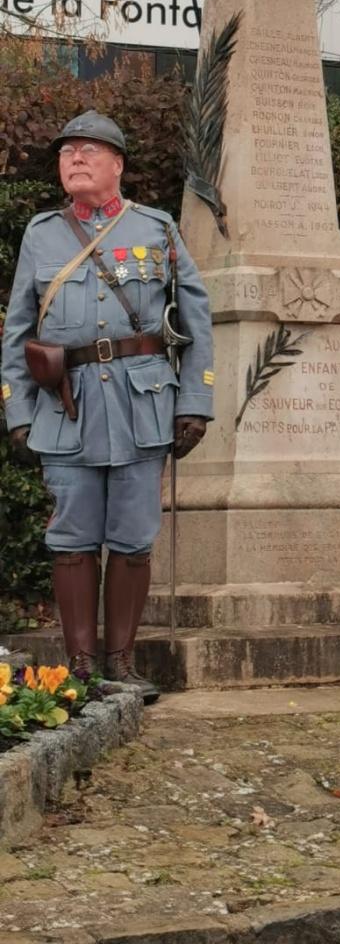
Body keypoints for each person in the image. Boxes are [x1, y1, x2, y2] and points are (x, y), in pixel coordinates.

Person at [1, 112, 213, 699]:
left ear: (117, 165)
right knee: (70, 536)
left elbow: (196, 320)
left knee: (132, 535)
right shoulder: (42, 234)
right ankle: (80, 668)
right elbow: (17, 330)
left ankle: (121, 663)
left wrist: (194, 401)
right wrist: (18, 411)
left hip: (141, 405)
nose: (75, 158)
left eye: (89, 150)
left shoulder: (156, 228)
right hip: (65, 408)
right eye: (67, 151)